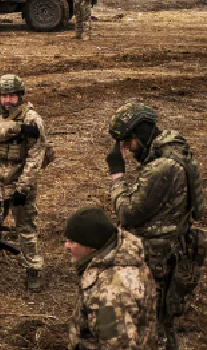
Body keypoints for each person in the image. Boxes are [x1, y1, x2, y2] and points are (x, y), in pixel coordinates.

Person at [107, 101, 202, 350]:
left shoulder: (163, 167)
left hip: (158, 259)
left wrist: (117, 177)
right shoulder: (171, 152)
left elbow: (127, 212)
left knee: (153, 325)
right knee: (160, 321)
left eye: (128, 143)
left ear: (142, 134)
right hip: (167, 252)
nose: (127, 150)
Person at [0, 74, 47, 291]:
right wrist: (16, 129)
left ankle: (33, 269)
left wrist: (23, 189)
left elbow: (36, 157)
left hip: (19, 181)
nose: (7, 101)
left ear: (20, 96)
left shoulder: (33, 119)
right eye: (3, 96)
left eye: (12, 96)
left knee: (26, 228)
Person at [65, 207, 157, 350]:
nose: (66, 246)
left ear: (91, 247)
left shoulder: (109, 295)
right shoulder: (124, 255)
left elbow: (118, 345)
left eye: (72, 241)